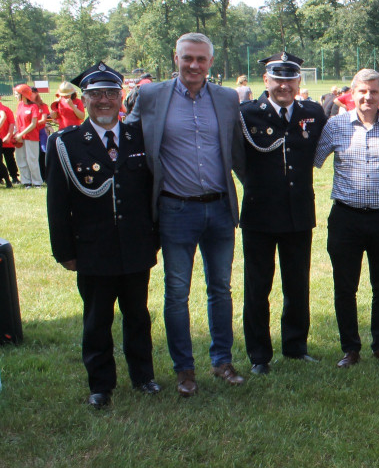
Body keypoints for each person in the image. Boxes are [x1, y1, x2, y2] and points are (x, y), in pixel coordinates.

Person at [125, 32, 246, 397]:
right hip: (175, 208)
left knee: (220, 289)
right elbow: (126, 136)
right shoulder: (150, 96)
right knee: (177, 292)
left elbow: (240, 151)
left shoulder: (226, 99)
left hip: (220, 209)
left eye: (201, 59)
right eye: (187, 58)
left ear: (211, 62)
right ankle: (184, 370)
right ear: (175, 58)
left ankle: (222, 361)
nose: (193, 65)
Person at [46, 62, 160, 408]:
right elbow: (57, 203)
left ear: (121, 97)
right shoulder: (66, 143)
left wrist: (153, 239)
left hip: (135, 246)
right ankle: (100, 385)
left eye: (111, 93)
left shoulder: (137, 136)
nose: (105, 100)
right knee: (97, 320)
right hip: (93, 249)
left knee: (138, 315)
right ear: (85, 101)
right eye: (96, 95)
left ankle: (143, 376)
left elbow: (151, 191)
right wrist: (64, 250)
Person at [314, 68, 379, 369]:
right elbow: (314, 159)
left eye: (373, 91)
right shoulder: (335, 126)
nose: (368, 97)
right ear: (352, 93)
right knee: (345, 286)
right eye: (362, 91)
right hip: (346, 218)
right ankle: (350, 349)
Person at [239, 52, 327, 375]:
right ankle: (259, 355)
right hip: (259, 216)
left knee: (297, 284)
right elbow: (238, 159)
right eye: (277, 78)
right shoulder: (248, 114)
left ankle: (295, 346)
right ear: (266, 80)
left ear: (298, 81)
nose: (284, 85)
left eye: (290, 78)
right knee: (258, 287)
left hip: (298, 214)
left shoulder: (312, 113)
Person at [13, 84, 46, 187]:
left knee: (32, 159)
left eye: (17, 94)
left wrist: (21, 134)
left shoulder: (34, 106)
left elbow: (33, 124)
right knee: (21, 159)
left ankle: (37, 182)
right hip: (20, 137)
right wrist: (17, 134)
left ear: (23, 94)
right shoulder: (19, 105)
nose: (15, 96)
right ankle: (26, 181)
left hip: (31, 137)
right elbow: (18, 121)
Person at [0, 97, 19, 186]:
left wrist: (8, 135)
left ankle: (14, 177)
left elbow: (12, 123)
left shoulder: (5, 110)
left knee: (9, 159)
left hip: (6, 139)